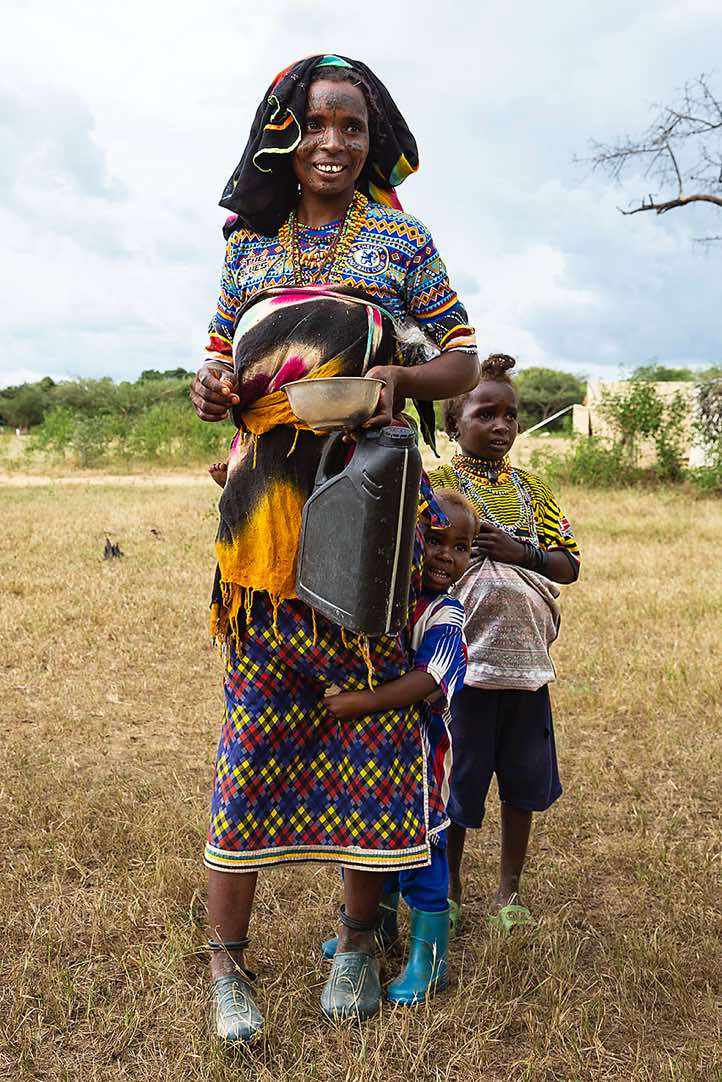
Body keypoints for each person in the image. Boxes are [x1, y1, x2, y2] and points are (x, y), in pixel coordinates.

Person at [189, 54, 479, 1043]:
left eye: (350, 126)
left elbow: (462, 356)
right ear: (284, 133)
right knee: (255, 729)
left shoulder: (400, 239)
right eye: (314, 123)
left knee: (366, 729)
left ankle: (357, 938)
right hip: (261, 520)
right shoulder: (248, 253)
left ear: (372, 138)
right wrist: (211, 388)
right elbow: (221, 363)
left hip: (367, 508)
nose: (331, 141)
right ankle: (228, 962)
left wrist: (401, 373)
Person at [428, 354, 580, 935]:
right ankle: (453, 887)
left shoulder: (533, 491)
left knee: (522, 782)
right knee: (458, 784)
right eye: (485, 412)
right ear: (453, 423)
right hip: (464, 665)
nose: (501, 426)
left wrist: (521, 552)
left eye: (510, 415)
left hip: (527, 668)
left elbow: (567, 566)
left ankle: (509, 892)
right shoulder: (438, 488)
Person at [322, 489, 477, 1005]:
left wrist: (361, 702)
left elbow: (430, 680)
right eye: (434, 540)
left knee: (423, 854)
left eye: (459, 548)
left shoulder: (446, 614)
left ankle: (431, 962)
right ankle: (378, 928)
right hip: (377, 757)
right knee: (373, 839)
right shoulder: (392, 596)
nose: (444, 556)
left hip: (421, 762)